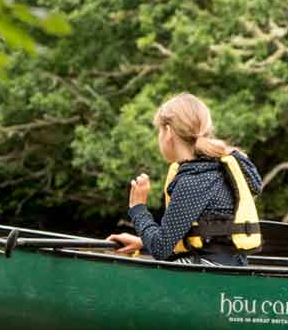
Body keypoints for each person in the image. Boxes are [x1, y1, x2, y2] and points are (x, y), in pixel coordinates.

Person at [108, 93, 265, 266]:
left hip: (210, 275)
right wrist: (142, 243)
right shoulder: (215, 168)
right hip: (227, 267)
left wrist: (138, 208)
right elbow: (193, 241)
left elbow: (160, 249)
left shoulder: (195, 179)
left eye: (159, 131)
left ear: (167, 132)